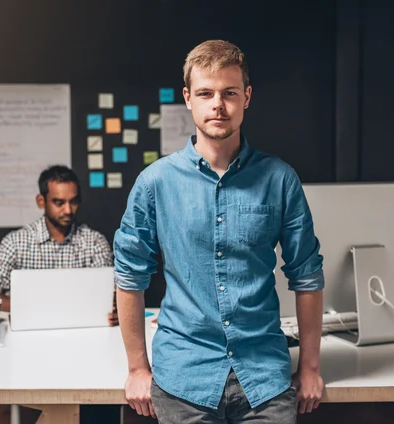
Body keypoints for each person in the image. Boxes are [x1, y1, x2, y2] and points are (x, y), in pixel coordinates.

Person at [113, 40, 325, 424]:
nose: (218, 105)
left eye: (229, 93)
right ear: (188, 99)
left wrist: (310, 367)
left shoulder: (279, 179)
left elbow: (307, 275)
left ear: (246, 96)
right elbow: (129, 276)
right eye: (206, 93)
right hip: (184, 376)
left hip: (264, 377)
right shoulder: (154, 182)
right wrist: (136, 369)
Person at [0, 165, 117, 326]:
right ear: (41, 201)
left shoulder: (94, 242)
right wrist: (34, 310)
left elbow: (108, 295)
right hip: (26, 333)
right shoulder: (16, 242)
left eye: (73, 202)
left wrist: (115, 309)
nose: (68, 210)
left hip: (81, 330)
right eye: (59, 202)